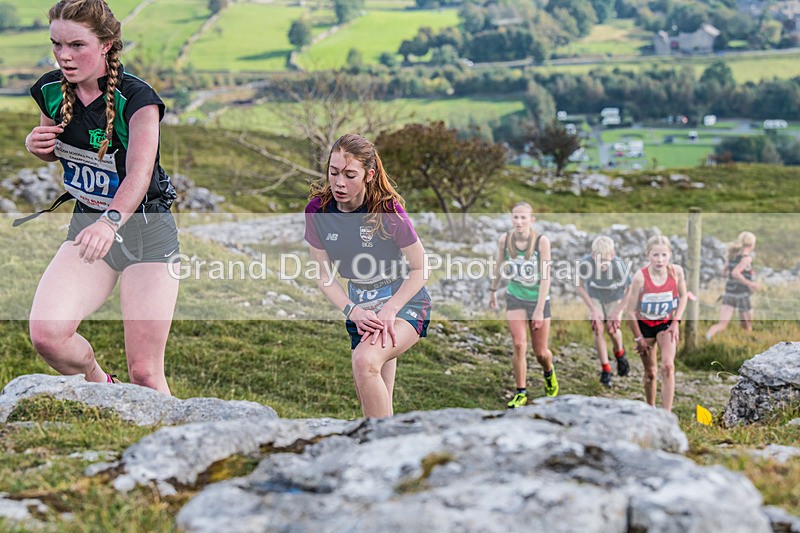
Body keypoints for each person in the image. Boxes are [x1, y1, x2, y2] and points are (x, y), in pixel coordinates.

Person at [23, 0, 179, 393]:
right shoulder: (50, 90)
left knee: (145, 374)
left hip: (146, 233)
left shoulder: (138, 101)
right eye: (57, 44)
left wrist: (110, 222)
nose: (64, 56)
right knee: (47, 335)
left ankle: (176, 433)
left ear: (106, 44)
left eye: (77, 45)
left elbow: (140, 175)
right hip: (87, 226)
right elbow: (56, 146)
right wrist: (36, 145)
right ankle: (102, 386)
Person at [304, 133, 431, 418]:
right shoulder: (317, 211)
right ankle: (388, 441)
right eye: (333, 172)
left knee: (364, 361)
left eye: (350, 175)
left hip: (401, 303)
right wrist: (353, 311)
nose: (339, 182)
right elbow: (323, 275)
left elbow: (421, 268)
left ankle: (380, 443)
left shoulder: (388, 210)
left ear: (368, 175)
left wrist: (390, 310)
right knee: (373, 398)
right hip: (361, 308)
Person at [489, 202, 556, 409]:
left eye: (523, 217)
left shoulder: (541, 242)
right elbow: (499, 265)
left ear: (531, 220)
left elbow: (545, 277)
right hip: (515, 297)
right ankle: (521, 392)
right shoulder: (505, 239)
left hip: (538, 300)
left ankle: (549, 372)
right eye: (515, 217)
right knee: (519, 344)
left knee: (541, 352)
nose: (519, 221)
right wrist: (493, 290)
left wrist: (539, 310)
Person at [627, 235, 687, 411]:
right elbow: (630, 311)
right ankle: (651, 408)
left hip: (666, 324)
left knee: (668, 366)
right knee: (651, 372)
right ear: (647, 255)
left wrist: (676, 322)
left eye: (664, 255)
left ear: (670, 255)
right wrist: (638, 338)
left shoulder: (676, 272)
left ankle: (667, 414)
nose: (660, 260)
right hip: (644, 326)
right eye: (655, 255)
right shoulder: (640, 278)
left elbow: (683, 296)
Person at [576, 236, 631, 387]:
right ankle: (606, 369)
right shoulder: (586, 264)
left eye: (605, 261)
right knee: (598, 328)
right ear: (593, 256)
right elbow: (579, 286)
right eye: (599, 261)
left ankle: (620, 353)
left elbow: (630, 290)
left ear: (612, 255)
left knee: (613, 330)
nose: (602, 265)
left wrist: (617, 312)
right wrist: (592, 310)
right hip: (595, 298)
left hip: (615, 298)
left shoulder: (619, 266)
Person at [706, 231, 758, 340]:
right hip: (742, 295)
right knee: (747, 327)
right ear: (751, 245)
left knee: (722, 324)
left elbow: (724, 271)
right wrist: (750, 283)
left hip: (729, 293)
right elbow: (735, 273)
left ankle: (707, 337)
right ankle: (747, 345)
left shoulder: (732, 256)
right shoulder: (746, 258)